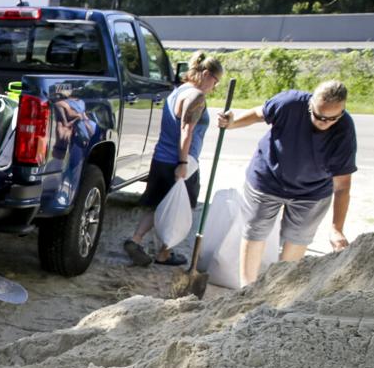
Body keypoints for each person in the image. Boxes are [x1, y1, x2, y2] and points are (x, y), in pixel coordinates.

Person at [216, 79, 357, 286]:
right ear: (310, 104)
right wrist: (232, 123)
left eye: (331, 118)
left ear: (342, 111)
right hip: (267, 179)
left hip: (313, 192)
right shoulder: (289, 103)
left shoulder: (344, 130)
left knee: (298, 238)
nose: (323, 122)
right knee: (256, 230)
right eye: (318, 115)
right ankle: (247, 289)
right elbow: (259, 113)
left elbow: (342, 186)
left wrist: (337, 228)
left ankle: (279, 291)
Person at [125, 51, 223, 267]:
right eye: (215, 81)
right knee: (179, 208)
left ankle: (135, 240)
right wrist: (183, 163)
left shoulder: (178, 91)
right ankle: (164, 253)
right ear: (206, 74)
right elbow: (186, 131)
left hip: (161, 158)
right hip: (179, 161)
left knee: (157, 204)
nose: (214, 87)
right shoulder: (196, 97)